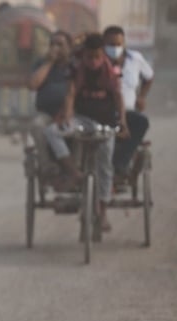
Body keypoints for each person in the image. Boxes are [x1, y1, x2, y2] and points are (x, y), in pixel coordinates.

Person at [42, 33, 129, 231]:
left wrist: (122, 122)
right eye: (89, 57)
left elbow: (118, 96)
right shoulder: (76, 68)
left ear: (102, 55)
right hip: (81, 120)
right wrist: (68, 117)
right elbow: (71, 93)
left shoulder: (112, 69)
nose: (93, 61)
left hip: (105, 122)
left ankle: (103, 212)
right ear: (84, 55)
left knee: (105, 166)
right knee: (51, 132)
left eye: (97, 57)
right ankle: (73, 171)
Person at [102, 25, 154, 179]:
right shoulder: (98, 61)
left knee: (141, 122)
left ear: (124, 43)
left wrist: (142, 96)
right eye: (111, 45)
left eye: (118, 44)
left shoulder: (135, 59)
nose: (115, 48)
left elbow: (149, 77)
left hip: (129, 110)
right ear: (104, 44)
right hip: (104, 110)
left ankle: (119, 164)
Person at [28, 30, 74, 178]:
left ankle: (75, 168)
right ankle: (46, 166)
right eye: (52, 44)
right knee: (37, 125)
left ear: (69, 47)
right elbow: (33, 85)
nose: (55, 48)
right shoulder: (41, 63)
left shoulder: (75, 65)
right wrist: (50, 62)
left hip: (71, 113)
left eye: (60, 45)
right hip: (46, 114)